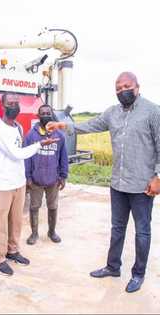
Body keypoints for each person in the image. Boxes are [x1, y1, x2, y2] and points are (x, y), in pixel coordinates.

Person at [47, 72, 160, 293]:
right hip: (117, 184)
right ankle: (112, 266)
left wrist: (158, 176)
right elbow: (89, 125)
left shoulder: (153, 111)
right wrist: (63, 126)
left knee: (142, 231)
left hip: (142, 186)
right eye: (118, 88)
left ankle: (138, 274)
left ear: (137, 86)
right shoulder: (112, 113)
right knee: (117, 228)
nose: (122, 91)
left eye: (126, 86)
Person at [0, 93, 58, 276]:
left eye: (16, 103)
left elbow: (20, 154)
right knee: (1, 223)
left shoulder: (17, 127)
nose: (14, 106)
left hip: (18, 183)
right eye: (10, 103)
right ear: (3, 106)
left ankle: (13, 250)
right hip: (3, 185)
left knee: (17, 221)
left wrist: (24, 179)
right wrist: (40, 144)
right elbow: (16, 154)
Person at [24, 104, 68, 245]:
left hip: (53, 180)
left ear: (52, 114)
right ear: (38, 116)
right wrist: (28, 177)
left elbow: (63, 157)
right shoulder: (31, 135)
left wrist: (63, 176)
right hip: (36, 180)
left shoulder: (59, 135)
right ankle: (34, 233)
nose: (45, 115)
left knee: (53, 206)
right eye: (42, 113)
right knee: (34, 207)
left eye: (48, 112)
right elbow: (27, 157)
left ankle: (52, 232)